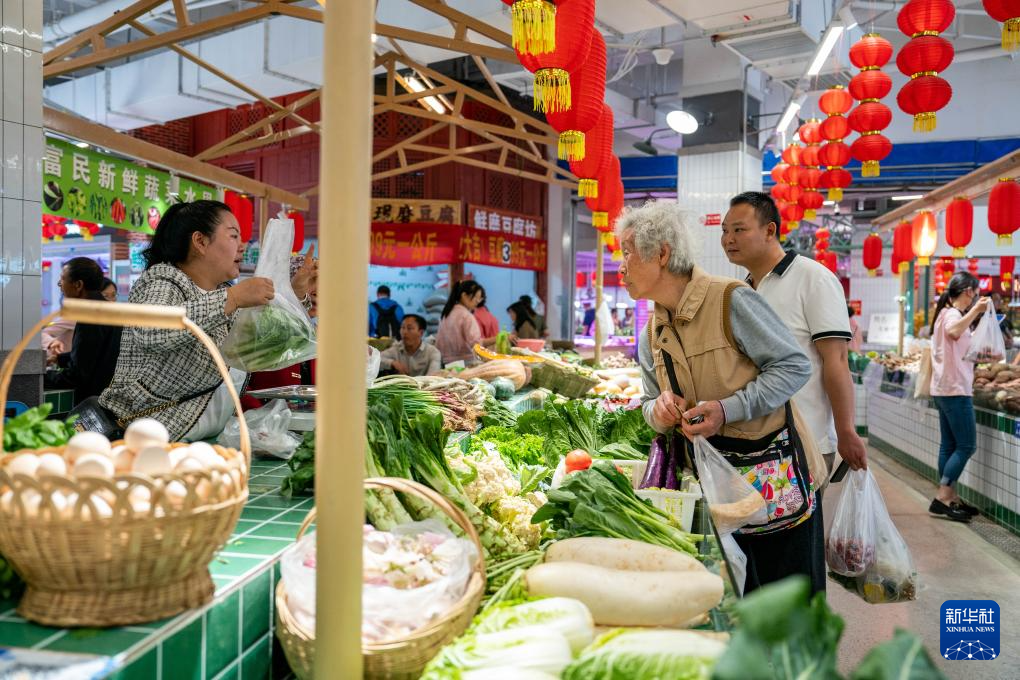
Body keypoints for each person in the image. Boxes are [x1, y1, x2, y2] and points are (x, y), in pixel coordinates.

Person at [622, 200, 823, 595]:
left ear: (661, 254)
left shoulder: (730, 300)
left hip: (773, 485)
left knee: (792, 612)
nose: (622, 266)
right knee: (737, 608)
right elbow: (647, 402)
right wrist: (658, 412)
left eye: (627, 252)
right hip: (713, 497)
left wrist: (727, 410)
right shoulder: (651, 333)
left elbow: (794, 366)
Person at [101, 200, 315, 441]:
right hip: (149, 439)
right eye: (233, 236)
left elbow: (264, 342)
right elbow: (154, 330)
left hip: (206, 438)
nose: (242, 246)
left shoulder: (222, 293)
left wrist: (297, 294)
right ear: (200, 242)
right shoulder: (162, 281)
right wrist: (233, 297)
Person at [721, 191, 868, 475]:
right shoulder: (742, 290)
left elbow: (837, 360)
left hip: (805, 442)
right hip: (755, 443)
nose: (728, 239)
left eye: (739, 230)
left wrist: (846, 430)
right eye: (725, 231)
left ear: (769, 231)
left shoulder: (814, 279)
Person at [928, 272, 992, 522]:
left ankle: (950, 495)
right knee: (966, 445)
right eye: (975, 292)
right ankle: (943, 495)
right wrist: (976, 310)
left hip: (944, 388)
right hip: (955, 390)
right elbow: (954, 332)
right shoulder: (953, 315)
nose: (975, 296)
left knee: (949, 445)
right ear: (968, 291)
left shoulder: (944, 314)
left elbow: (958, 345)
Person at [44, 258, 122, 406]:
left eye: (63, 279)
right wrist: (60, 359)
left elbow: (77, 375)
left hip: (94, 402)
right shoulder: (110, 311)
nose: (60, 285)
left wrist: (42, 377)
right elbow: (94, 354)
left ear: (78, 285)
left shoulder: (89, 316)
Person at [435, 280, 498, 365]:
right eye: (476, 297)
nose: (477, 301)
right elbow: (476, 343)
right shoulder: (466, 316)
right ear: (464, 295)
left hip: (445, 362)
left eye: (479, 298)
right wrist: (496, 338)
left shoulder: (447, 313)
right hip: (465, 363)